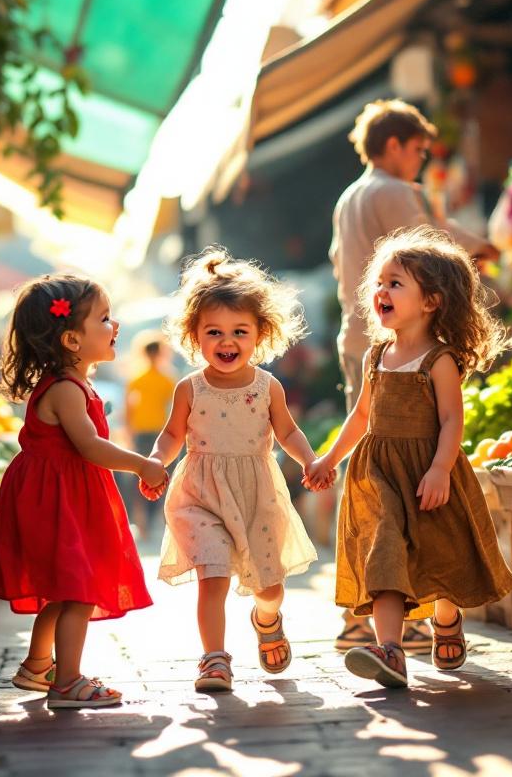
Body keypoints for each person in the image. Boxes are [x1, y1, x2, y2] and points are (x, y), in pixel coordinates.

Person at [306, 228, 512, 688]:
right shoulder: (376, 355)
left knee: (438, 555)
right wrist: (330, 459)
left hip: (426, 473)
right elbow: (361, 415)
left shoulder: (438, 360)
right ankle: (392, 652)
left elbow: (451, 422)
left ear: (431, 302)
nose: (382, 290)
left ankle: (446, 620)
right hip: (380, 473)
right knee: (383, 556)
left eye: (396, 283)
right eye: (380, 282)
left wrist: (441, 468)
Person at [329, 98, 498, 653]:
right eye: (418, 150)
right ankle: (389, 624)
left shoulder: (349, 196)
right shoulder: (396, 192)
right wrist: (481, 248)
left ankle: (381, 620)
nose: (420, 161)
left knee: (405, 514)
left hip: (364, 337)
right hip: (386, 344)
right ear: (395, 144)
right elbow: (431, 245)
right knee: (390, 512)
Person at [141, 248, 319, 693]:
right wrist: (155, 463)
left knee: (269, 586)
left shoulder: (267, 386)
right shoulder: (189, 388)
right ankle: (214, 659)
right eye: (214, 332)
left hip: (257, 495)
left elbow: (289, 433)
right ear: (194, 335)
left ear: (260, 335)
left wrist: (311, 461)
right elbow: (171, 436)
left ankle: (267, 617)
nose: (227, 341)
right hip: (200, 495)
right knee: (212, 576)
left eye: (240, 331)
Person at [0, 275, 167, 710]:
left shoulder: (74, 385)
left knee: (65, 586)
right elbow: (90, 447)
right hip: (57, 501)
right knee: (78, 591)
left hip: (63, 496)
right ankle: (66, 681)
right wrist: (142, 462)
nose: (115, 325)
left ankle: (36, 665)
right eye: (104, 319)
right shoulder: (66, 390)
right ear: (71, 339)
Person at [123, 331, 177, 537]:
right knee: (155, 475)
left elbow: (129, 412)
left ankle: (152, 522)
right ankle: (147, 522)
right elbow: (129, 410)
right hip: (151, 433)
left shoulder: (158, 379)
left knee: (151, 475)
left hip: (158, 432)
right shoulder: (160, 379)